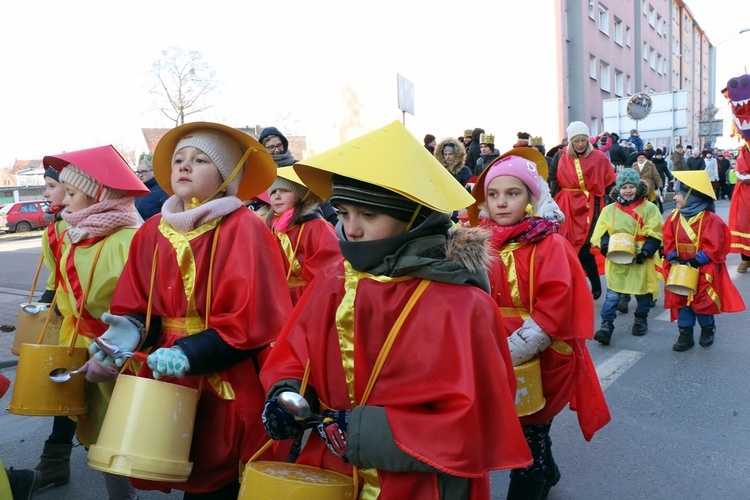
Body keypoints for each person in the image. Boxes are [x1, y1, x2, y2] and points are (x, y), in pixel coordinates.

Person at [260, 121, 532, 500]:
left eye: (368, 216)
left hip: (415, 481)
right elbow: (294, 352)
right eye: (344, 212)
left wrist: (360, 430)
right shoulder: (335, 279)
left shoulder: (461, 305)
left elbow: (473, 421)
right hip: (329, 471)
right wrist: (285, 393)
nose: (350, 230)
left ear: (413, 218)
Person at [89, 122, 293, 498]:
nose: (184, 165)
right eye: (179, 158)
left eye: (200, 160)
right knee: (179, 459)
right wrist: (124, 335)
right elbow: (138, 303)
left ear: (227, 177)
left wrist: (190, 352)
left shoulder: (244, 228)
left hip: (225, 373)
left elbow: (251, 321)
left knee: (221, 470)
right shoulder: (151, 230)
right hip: (165, 371)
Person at [466, 148, 610, 499]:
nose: (501, 203)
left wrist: (517, 346)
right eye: (493, 195)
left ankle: (529, 484)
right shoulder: (473, 243)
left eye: (512, 193)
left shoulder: (550, 244)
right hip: (489, 351)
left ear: (531, 198)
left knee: (530, 424)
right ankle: (547, 468)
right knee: (511, 422)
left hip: (538, 353)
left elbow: (557, 304)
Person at [41, 145, 149, 499]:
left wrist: (119, 353)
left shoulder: (130, 239)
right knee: (93, 429)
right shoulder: (74, 235)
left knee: (121, 431)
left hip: (119, 352)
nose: (64, 200)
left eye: (72, 193)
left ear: (100, 195)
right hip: (78, 341)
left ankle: (124, 495)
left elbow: (147, 309)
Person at [663, 170, 745, 351]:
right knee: (681, 299)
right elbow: (667, 239)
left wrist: (697, 259)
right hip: (679, 267)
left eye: (678, 194)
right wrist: (672, 256)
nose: (675, 198)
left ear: (691, 195)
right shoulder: (673, 218)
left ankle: (707, 329)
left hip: (703, 267)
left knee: (703, 300)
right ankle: (685, 334)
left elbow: (717, 245)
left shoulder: (710, 219)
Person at [591, 169, 663, 345]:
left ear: (638, 187)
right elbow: (603, 231)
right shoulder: (610, 210)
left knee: (642, 292)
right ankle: (606, 325)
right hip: (617, 256)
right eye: (624, 187)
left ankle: (640, 319)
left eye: (632, 187)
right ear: (619, 189)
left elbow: (656, 233)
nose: (628, 190)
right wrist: (606, 247)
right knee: (613, 294)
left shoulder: (649, 208)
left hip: (640, 255)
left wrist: (646, 252)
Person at [551, 121, 616, 299]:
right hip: (565, 204)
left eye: (583, 140)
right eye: (576, 141)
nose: (580, 144)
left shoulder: (599, 157)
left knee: (585, 247)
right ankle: (573, 287)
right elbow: (553, 181)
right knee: (567, 247)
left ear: (588, 140)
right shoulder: (560, 156)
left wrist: (620, 200)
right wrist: (547, 205)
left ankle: (595, 283)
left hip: (590, 205)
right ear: (570, 142)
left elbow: (610, 183)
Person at [265, 166, 340, 305]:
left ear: (301, 196)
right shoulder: (270, 227)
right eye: (273, 191)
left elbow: (330, 266)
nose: (277, 196)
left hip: (308, 299)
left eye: (285, 191)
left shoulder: (316, 226)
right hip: (278, 298)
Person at [258, 125, 339, 225]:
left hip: (304, 221)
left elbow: (318, 196)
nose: (277, 150)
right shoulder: (262, 174)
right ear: (264, 149)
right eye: (271, 147)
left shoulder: (297, 167)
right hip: (276, 225)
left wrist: (333, 218)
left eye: (279, 145)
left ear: (284, 144)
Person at [133, 154, 169, 220]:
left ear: (154, 172)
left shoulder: (163, 191)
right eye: (138, 172)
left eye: (144, 171)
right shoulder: (136, 191)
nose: (140, 175)